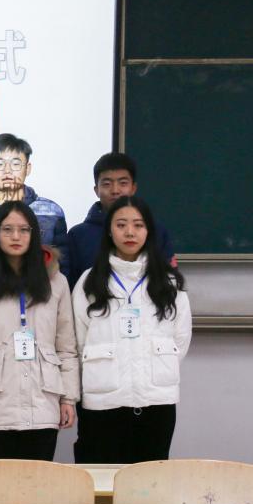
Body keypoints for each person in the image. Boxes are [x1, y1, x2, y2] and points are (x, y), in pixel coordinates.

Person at [0, 201, 79, 461]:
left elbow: (66, 348)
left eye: (24, 230)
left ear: (35, 235)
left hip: (42, 405)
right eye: (7, 229)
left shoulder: (57, 283)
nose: (15, 236)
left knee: (37, 484)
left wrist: (68, 398)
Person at [72, 196, 191, 462]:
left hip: (156, 401)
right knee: (102, 479)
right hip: (103, 402)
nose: (129, 232)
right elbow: (79, 341)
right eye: (121, 224)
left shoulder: (169, 283)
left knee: (150, 481)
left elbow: (181, 339)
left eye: (138, 225)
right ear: (109, 231)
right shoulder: (89, 281)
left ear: (148, 231)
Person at [0, 133, 69, 278]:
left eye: (15, 164)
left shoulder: (51, 212)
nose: (7, 171)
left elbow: (63, 267)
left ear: (28, 168)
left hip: (39, 289)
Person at [66, 152, 176, 288]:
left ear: (133, 188)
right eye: (107, 184)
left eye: (123, 183)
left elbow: (169, 282)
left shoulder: (156, 231)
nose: (115, 190)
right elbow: (71, 286)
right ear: (96, 190)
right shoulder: (78, 236)